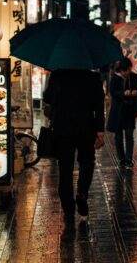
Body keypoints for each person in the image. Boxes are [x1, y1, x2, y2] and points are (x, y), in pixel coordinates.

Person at [43, 68, 105, 221]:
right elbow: (99, 105)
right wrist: (100, 131)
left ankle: (68, 208)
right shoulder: (93, 77)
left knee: (65, 169)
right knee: (87, 163)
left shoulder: (58, 74)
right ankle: (82, 193)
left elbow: (48, 98)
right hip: (86, 128)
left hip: (62, 128)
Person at [106, 57, 137, 167]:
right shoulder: (115, 79)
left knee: (129, 134)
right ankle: (121, 158)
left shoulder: (134, 77)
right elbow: (112, 92)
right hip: (118, 111)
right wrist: (123, 93)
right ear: (121, 70)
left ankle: (128, 159)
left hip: (130, 110)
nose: (128, 72)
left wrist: (136, 91)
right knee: (118, 136)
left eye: (130, 69)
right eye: (126, 70)